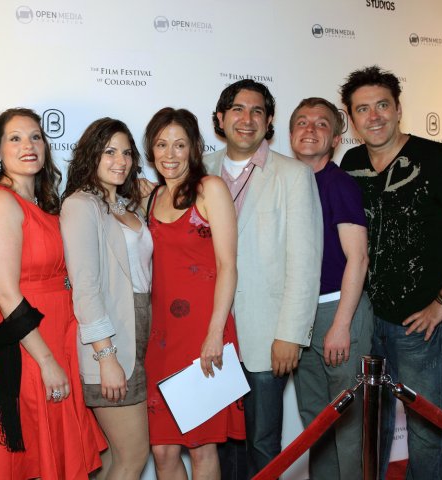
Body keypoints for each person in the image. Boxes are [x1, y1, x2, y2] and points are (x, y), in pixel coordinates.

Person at [339, 66, 442, 479]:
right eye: (363, 109)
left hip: (419, 328)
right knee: (371, 432)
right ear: (351, 117)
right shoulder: (352, 161)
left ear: (397, 109)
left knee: (427, 433)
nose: (374, 116)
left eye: (382, 106)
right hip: (367, 320)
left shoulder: (436, 158)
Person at [0, 108, 106, 479]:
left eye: (35, 136)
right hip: (29, 346)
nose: (28, 145)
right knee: (34, 460)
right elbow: (4, 292)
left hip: (61, 337)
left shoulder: (46, 204)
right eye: (15, 138)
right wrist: (46, 362)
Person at [203, 79, 323, 477]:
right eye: (237, 109)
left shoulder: (293, 175)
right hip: (209, 334)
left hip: (265, 335)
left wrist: (290, 333)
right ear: (220, 117)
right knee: (220, 442)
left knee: (262, 441)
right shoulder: (198, 171)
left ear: (269, 121)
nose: (247, 119)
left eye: (257, 111)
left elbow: (305, 263)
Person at [143, 107, 244, 479]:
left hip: (204, 331)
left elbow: (228, 265)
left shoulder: (210, 189)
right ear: (151, 150)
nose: (170, 154)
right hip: (162, 337)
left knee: (202, 447)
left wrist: (215, 334)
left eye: (180, 145)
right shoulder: (151, 198)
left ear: (194, 148)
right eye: (161, 145)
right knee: (163, 450)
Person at [60, 118, 151, 479]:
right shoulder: (81, 205)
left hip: (139, 335)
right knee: (133, 456)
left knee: (115, 458)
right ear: (92, 154)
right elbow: (85, 288)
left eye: (127, 152)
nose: (121, 160)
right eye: (110, 151)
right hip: (110, 345)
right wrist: (105, 357)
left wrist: (144, 197)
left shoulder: (127, 205)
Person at [289, 97, 372, 479]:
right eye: (302, 122)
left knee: (348, 423)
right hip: (299, 315)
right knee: (315, 421)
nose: (310, 129)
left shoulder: (338, 184)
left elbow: (358, 259)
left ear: (336, 138)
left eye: (321, 124)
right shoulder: (288, 183)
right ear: (290, 135)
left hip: (337, 311)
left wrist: (341, 324)